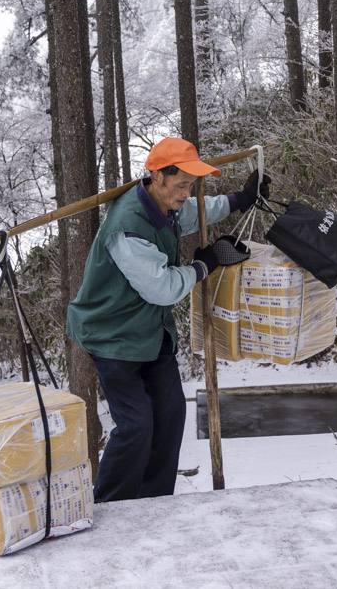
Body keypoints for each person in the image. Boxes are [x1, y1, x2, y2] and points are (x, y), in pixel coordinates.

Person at [66, 137, 269, 502]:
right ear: (157, 177)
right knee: (136, 424)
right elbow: (161, 288)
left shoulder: (167, 205)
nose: (185, 193)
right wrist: (204, 266)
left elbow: (196, 212)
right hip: (112, 335)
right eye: (181, 185)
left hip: (149, 332)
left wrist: (240, 200)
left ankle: (155, 502)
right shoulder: (127, 226)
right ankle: (111, 505)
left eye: (190, 185)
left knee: (171, 415)